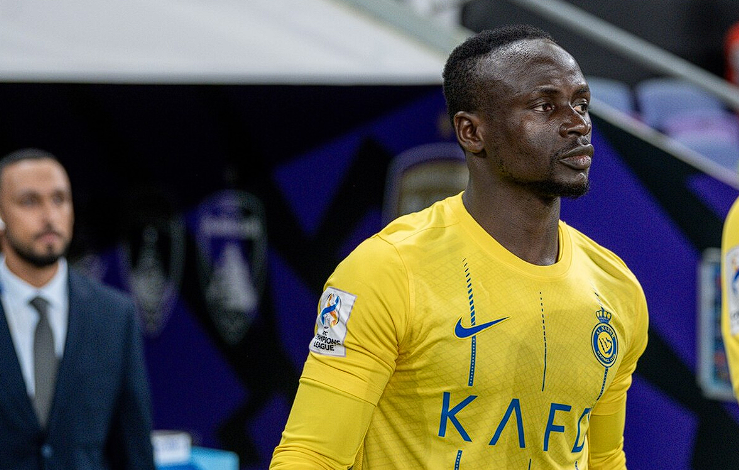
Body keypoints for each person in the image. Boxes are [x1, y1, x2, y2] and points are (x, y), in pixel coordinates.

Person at [270, 24, 649, 469]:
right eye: (545, 106)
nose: (577, 124)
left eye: (581, 103)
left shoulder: (617, 287)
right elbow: (311, 456)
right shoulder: (387, 269)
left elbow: (605, 460)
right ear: (471, 132)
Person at [0, 148, 155, 469]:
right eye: (29, 201)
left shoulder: (115, 315)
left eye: (59, 199)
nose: (49, 215)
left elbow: (134, 450)